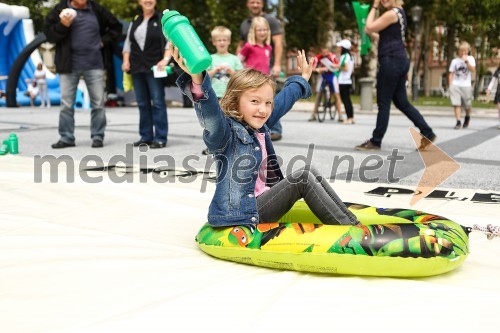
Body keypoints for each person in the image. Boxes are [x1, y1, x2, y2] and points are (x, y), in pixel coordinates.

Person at [173, 45, 360, 228]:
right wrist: (198, 79)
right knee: (302, 178)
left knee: (310, 172)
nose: (263, 109)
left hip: (262, 201)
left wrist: (303, 78)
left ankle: (350, 221)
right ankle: (353, 231)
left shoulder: (259, 125)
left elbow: (283, 100)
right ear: (235, 102)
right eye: (254, 101)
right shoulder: (225, 134)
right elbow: (210, 113)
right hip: (242, 214)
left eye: (267, 103)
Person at [355, 0, 436, 151]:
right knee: (402, 103)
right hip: (399, 60)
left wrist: (374, 6)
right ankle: (427, 132)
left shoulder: (391, 14)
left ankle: (376, 141)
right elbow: (383, 36)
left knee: (383, 103)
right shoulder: (400, 13)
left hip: (391, 61)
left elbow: (369, 26)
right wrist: (368, 32)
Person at [44, 0, 122, 149]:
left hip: (95, 65)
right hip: (68, 65)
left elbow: (116, 27)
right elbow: (49, 35)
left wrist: (103, 41)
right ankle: (66, 138)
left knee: (98, 104)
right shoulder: (60, 9)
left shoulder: (97, 9)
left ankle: (98, 136)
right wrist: (62, 26)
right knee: (66, 104)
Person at [122, 0, 170, 149]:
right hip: (137, 67)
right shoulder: (135, 20)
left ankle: (160, 137)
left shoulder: (162, 19)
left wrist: (166, 59)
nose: (147, 1)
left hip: (155, 67)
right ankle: (146, 137)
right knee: (142, 103)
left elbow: (170, 42)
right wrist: (125, 61)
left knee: (157, 102)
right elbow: (127, 44)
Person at [238, 0, 284, 141]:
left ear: (262, 4)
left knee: (270, 101)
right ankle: (247, 128)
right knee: (251, 102)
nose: (255, 5)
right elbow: (239, 54)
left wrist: (277, 64)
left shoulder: (271, 22)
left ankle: (274, 129)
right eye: (252, 2)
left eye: (258, 2)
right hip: (251, 79)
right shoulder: (245, 27)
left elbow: (278, 44)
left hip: (266, 77)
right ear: (247, 4)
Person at [201, 26, 244, 155]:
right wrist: (215, 70)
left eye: (224, 40)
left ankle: (230, 145)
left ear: (229, 41)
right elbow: (204, 76)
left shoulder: (234, 59)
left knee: (230, 121)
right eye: (219, 40)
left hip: (230, 95)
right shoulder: (210, 58)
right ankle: (213, 146)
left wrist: (232, 72)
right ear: (214, 42)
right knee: (213, 122)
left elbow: (241, 76)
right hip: (214, 95)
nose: (222, 42)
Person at [309, 47, 344, 122]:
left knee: (336, 94)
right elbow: (312, 67)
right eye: (323, 52)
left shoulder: (332, 57)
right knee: (318, 94)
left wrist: (330, 67)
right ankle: (313, 114)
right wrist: (318, 69)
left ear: (328, 52)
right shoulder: (317, 57)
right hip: (323, 75)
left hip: (332, 75)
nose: (324, 54)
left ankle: (340, 115)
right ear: (321, 52)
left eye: (326, 52)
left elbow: (337, 66)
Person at [448, 42, 476, 129]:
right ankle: (458, 122)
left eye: (465, 51)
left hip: (466, 85)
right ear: (458, 51)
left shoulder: (471, 59)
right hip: (455, 85)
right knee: (457, 104)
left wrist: (466, 61)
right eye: (461, 51)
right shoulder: (454, 61)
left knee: (467, 105)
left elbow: (472, 70)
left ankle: (467, 117)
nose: (463, 53)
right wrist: (450, 85)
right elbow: (451, 73)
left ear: (468, 51)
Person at [337, 39, 355, 124]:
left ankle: (349, 118)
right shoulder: (351, 56)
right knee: (348, 100)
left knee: (345, 100)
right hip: (348, 80)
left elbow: (345, 68)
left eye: (340, 47)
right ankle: (351, 117)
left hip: (343, 81)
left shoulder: (344, 56)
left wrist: (336, 66)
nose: (339, 48)